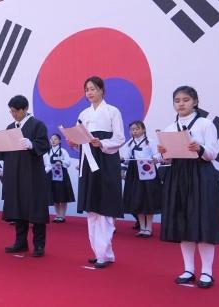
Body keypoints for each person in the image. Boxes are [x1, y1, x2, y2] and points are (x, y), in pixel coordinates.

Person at [158, 86, 219, 287]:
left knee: (203, 222)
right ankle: (188, 269)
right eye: (177, 100)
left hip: (201, 175)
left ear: (195, 101)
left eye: (185, 100)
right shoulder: (169, 128)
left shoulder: (205, 124)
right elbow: (167, 160)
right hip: (177, 176)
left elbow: (212, 154)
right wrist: (164, 153)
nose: (181, 103)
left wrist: (200, 147)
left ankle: (207, 272)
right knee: (182, 222)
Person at [69, 76, 125, 269]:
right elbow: (81, 142)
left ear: (102, 90)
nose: (90, 92)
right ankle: (99, 252)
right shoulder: (83, 114)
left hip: (106, 161)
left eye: (93, 88)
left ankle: (105, 253)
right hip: (88, 163)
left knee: (105, 208)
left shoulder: (112, 111)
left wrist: (102, 143)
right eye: (87, 90)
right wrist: (75, 143)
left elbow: (119, 138)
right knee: (92, 209)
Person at [0, 95, 51, 257]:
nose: (13, 114)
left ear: (25, 109)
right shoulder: (10, 128)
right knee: (18, 209)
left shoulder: (37, 125)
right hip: (14, 174)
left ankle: (39, 245)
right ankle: (20, 243)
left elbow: (44, 145)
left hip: (32, 175)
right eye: (11, 111)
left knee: (35, 211)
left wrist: (32, 144)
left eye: (15, 111)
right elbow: (3, 150)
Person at [120, 120, 162, 238]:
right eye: (132, 129)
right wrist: (123, 161)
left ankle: (149, 228)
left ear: (143, 129)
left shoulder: (151, 142)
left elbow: (157, 155)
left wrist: (155, 159)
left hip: (148, 170)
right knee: (136, 199)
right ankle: (142, 228)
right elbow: (127, 159)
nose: (134, 131)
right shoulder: (129, 143)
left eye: (137, 129)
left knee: (148, 199)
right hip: (134, 173)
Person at [44, 134, 74, 223]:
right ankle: (57, 215)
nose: (53, 141)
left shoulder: (63, 151)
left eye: (55, 139)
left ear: (59, 141)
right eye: (52, 139)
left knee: (63, 195)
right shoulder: (47, 152)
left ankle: (62, 216)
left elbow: (68, 162)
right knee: (55, 196)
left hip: (62, 175)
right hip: (51, 176)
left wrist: (60, 162)